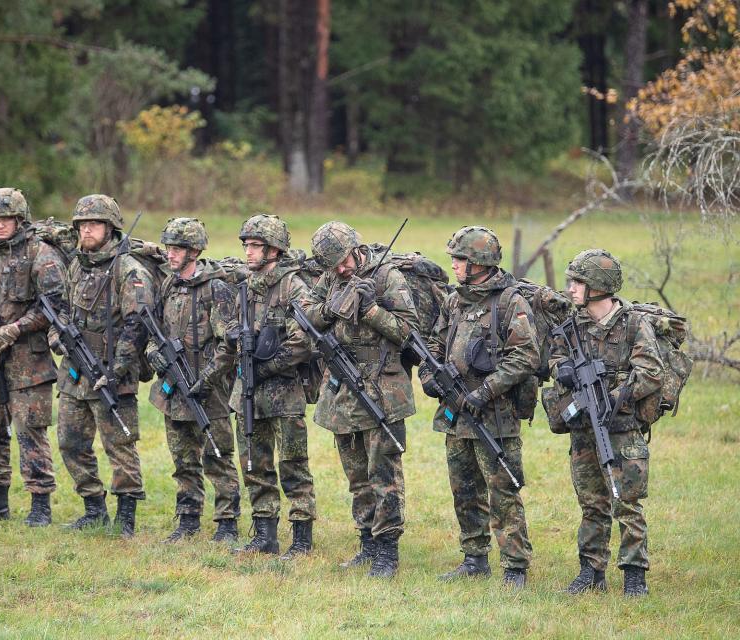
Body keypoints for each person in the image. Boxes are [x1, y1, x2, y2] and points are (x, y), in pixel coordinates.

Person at [300, 222, 419, 578]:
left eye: (343, 261)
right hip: (341, 391)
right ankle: (367, 542)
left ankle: (387, 551)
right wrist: (333, 308)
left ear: (356, 248)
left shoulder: (387, 277)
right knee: (356, 476)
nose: (340, 269)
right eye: (332, 266)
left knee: (384, 475)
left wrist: (370, 310)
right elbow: (305, 315)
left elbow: (409, 332)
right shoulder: (331, 278)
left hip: (382, 392)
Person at [421, 226, 539, 589]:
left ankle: (515, 566)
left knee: (503, 491)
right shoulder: (454, 300)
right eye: (454, 259)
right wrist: (430, 375)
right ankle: (474, 558)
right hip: (456, 415)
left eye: (460, 259)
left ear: (479, 263)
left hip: (495, 417)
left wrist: (485, 392)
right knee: (464, 488)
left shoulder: (509, 302)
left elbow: (526, 356)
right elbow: (434, 344)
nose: (454, 265)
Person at [196, 214, 317, 558]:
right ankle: (264, 533)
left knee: (294, 465)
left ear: (274, 250)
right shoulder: (245, 285)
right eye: (246, 246)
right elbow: (222, 320)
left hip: (284, 392)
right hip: (247, 391)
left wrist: (268, 368)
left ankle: (302, 538)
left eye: (255, 246)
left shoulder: (293, 286)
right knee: (253, 463)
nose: (248, 252)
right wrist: (232, 332)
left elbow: (304, 340)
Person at [550, 249, 662, 597]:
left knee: (625, 502)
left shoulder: (632, 324)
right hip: (584, 429)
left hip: (623, 430)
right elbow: (554, 357)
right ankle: (591, 571)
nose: (571, 288)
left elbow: (651, 371)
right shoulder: (573, 325)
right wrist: (562, 370)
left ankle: (634, 575)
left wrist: (616, 396)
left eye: (578, 282)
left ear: (598, 286)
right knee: (591, 503)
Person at [50, 194, 154, 537]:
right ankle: (94, 508)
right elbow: (62, 308)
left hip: (112, 375)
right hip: (74, 373)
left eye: (94, 224)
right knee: (69, 441)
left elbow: (136, 325)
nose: (87, 230)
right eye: (81, 225)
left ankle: (126, 519)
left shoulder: (128, 269)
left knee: (120, 446)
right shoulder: (77, 264)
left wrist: (117, 371)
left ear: (110, 227)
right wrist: (57, 336)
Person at [0, 188, 65, 526]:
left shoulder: (41, 253)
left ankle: (40, 506)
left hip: (28, 362)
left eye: (5, 219)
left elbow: (53, 305)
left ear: (19, 219)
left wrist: (17, 328)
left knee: (30, 432)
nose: (0, 225)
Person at [146, 217, 241, 543]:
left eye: (178, 249)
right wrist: (152, 354)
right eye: (169, 248)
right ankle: (187, 519)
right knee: (183, 460)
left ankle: (227, 522)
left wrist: (207, 380)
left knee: (218, 455)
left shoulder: (216, 289)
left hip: (209, 391)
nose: (170, 255)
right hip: (173, 390)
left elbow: (228, 345)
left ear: (195, 251)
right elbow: (153, 331)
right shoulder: (168, 285)